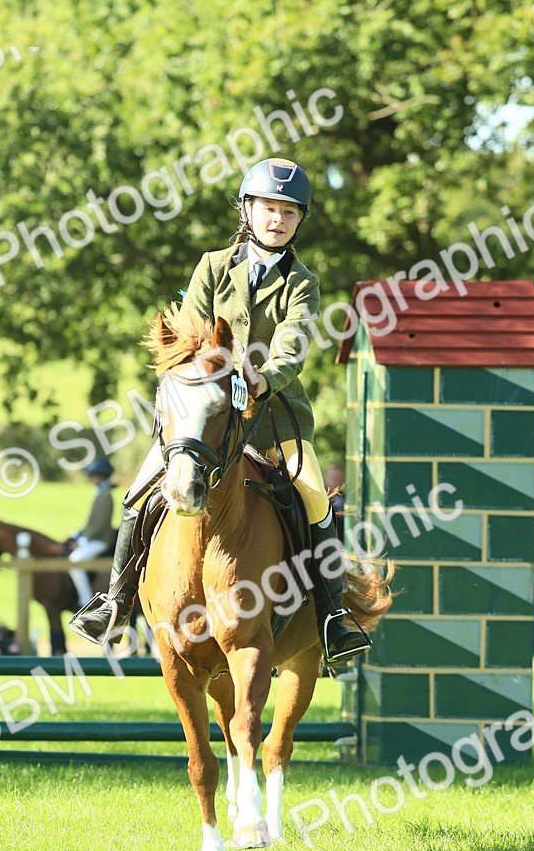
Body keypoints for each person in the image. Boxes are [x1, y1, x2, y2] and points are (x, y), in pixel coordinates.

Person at [70, 157, 371, 665]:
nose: (277, 220)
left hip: (275, 420)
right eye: (268, 209)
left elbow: (293, 345)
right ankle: (115, 602)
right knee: (138, 492)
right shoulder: (212, 265)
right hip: (206, 418)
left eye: (288, 213)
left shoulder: (303, 282)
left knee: (316, 501)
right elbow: (190, 332)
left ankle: (331, 617)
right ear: (247, 211)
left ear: (299, 221)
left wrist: (264, 377)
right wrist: (213, 375)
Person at [66, 458, 115, 609]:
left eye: (93, 475)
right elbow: (90, 523)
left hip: (100, 540)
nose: (91, 479)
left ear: (100, 476)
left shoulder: (106, 496)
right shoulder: (100, 493)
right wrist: (76, 535)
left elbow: (99, 525)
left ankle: (85, 599)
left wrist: (81, 540)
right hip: (93, 538)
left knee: (74, 561)